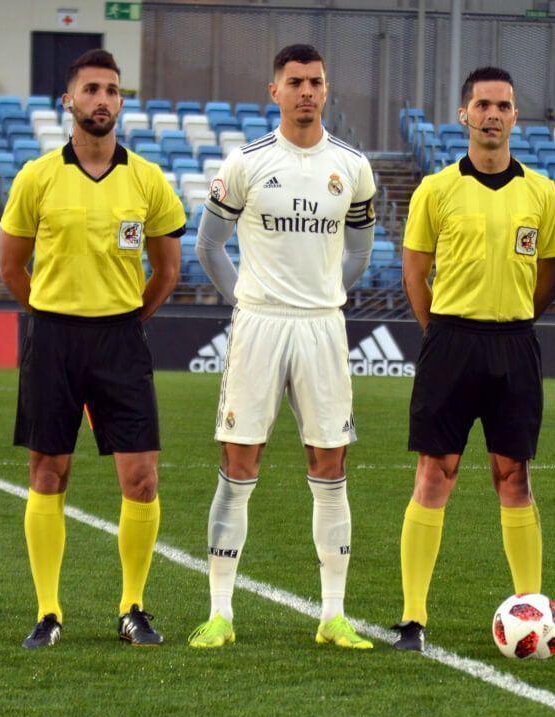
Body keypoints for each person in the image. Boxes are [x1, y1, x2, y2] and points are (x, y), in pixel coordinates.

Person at [188, 44, 376, 651]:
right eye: (295, 82)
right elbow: (208, 245)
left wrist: (325, 295)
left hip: (322, 326)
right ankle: (220, 613)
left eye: (315, 82)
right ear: (274, 91)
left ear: (326, 90)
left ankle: (333, 616)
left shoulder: (353, 167)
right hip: (260, 325)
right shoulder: (245, 163)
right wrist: (245, 299)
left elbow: (360, 249)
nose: (306, 92)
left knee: (330, 466)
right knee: (239, 462)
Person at [0, 49, 185, 649]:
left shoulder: (147, 179)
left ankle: (133, 607)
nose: (101, 99)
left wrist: (127, 316)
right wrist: (51, 311)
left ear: (121, 102)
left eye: (111, 90)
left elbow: (168, 270)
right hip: (54, 339)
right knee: (48, 473)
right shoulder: (37, 177)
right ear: (69, 100)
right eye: (90, 89)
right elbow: (11, 267)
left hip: (121, 340)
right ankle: (48, 612)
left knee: (142, 478)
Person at [393, 66, 555, 652]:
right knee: (434, 473)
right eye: (483, 105)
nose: (493, 114)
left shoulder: (541, 192)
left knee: (514, 476)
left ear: (515, 116)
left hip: (514, 344)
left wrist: (513, 319)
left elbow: (548, 277)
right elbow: (415, 274)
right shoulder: (436, 189)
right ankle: (413, 617)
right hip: (450, 342)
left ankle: (532, 612)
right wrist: (439, 334)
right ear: (464, 114)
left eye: (503, 106)